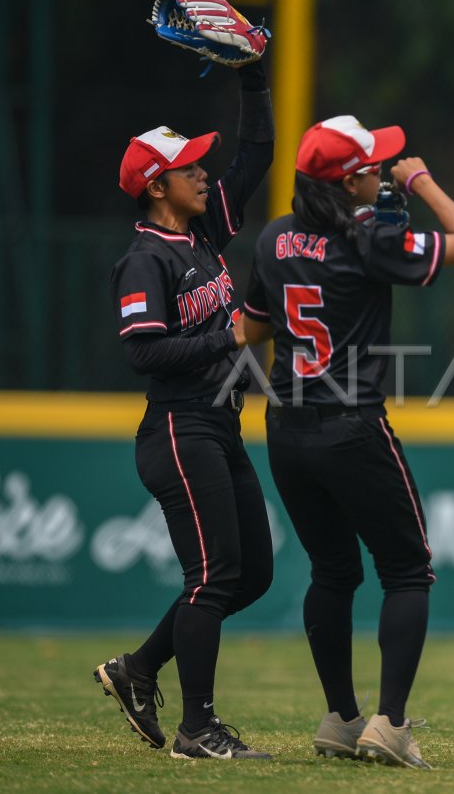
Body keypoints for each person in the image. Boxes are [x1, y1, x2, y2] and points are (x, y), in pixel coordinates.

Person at [237, 115, 454, 769]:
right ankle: (391, 724)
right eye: (375, 164)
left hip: (285, 428)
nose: (386, 168)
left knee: (333, 571)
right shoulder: (370, 240)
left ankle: (343, 717)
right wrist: (422, 182)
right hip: (352, 428)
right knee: (408, 570)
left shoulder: (273, 238)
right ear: (350, 179)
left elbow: (254, 330)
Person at [96, 56, 275, 761]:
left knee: (250, 573)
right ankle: (197, 729)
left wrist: (254, 80)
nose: (205, 173)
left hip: (218, 426)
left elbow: (256, 155)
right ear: (156, 186)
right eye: (190, 168)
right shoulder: (147, 260)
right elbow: (143, 352)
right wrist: (225, 335)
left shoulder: (200, 238)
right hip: (178, 426)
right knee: (211, 578)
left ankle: (138, 669)